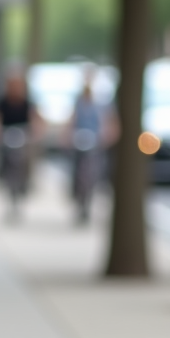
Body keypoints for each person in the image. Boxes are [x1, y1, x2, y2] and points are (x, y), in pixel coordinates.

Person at [0, 69, 38, 218]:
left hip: (23, 138)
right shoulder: (2, 102)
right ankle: (0, 174)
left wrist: (35, 132)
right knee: (1, 157)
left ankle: (27, 180)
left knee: (26, 158)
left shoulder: (27, 102)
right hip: (7, 138)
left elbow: (35, 120)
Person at [69, 70, 105, 223]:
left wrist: (104, 136)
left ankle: (89, 197)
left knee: (93, 171)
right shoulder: (78, 103)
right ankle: (76, 194)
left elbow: (105, 123)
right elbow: (72, 121)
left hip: (93, 143)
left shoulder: (100, 104)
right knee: (76, 169)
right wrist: (68, 135)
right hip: (79, 142)